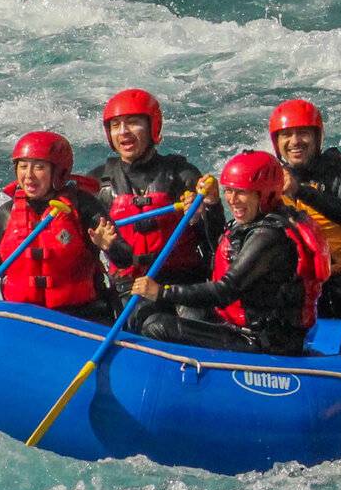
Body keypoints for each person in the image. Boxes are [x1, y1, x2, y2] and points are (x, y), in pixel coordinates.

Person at [131, 151, 327, 356]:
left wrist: (162, 292)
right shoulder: (258, 220)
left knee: (157, 326)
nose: (232, 200)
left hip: (265, 341)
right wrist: (212, 204)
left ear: (264, 193)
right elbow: (221, 250)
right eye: (228, 191)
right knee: (170, 309)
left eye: (241, 192)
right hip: (246, 326)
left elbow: (225, 290)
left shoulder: (268, 236)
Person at [0, 132, 112, 318]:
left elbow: (124, 259)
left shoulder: (83, 206)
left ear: (59, 172)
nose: (28, 175)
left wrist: (109, 247)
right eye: (23, 166)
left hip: (82, 316)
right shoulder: (6, 214)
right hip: (23, 318)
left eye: (39, 167)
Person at [88, 88, 219, 286]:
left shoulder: (182, 175)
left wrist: (209, 208)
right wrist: (107, 245)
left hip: (182, 285)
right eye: (115, 125)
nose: (123, 131)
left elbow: (216, 242)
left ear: (153, 127)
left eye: (133, 122)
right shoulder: (97, 182)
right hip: (129, 288)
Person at [267, 98, 341, 321]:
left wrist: (300, 191)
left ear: (317, 137)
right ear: (276, 142)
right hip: (302, 284)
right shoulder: (272, 178)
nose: (295, 141)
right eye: (286, 135)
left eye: (303, 133)